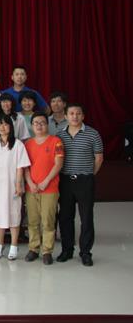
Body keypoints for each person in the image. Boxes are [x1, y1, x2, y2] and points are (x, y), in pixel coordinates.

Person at [56, 103, 104, 267]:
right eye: (71, 113)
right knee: (65, 216)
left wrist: (89, 174)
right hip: (65, 181)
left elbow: (99, 158)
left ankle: (85, 252)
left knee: (86, 217)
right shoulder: (59, 134)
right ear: (66, 116)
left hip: (85, 180)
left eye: (78, 113)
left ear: (83, 116)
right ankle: (67, 250)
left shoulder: (92, 134)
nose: (74, 116)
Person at [24, 112, 64, 265]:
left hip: (50, 188)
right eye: (36, 123)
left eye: (42, 122)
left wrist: (46, 181)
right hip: (31, 188)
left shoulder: (56, 142)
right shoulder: (28, 144)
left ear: (47, 124)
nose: (39, 125)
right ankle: (33, 248)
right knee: (33, 220)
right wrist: (30, 183)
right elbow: (25, 166)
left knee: (48, 221)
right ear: (32, 126)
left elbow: (58, 163)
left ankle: (47, 251)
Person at [0, 115, 31, 261]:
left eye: (5, 124)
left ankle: (13, 245)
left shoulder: (18, 144)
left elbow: (20, 166)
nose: (2, 127)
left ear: (11, 127)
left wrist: (18, 185)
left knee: (14, 216)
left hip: (12, 185)